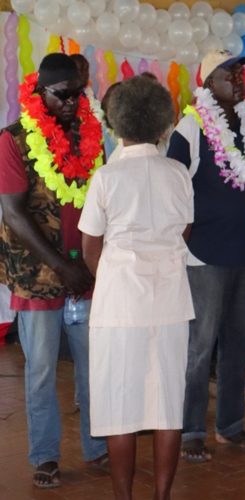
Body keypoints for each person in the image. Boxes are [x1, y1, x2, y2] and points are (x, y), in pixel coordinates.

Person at [78, 76, 192, 500]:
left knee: (118, 408)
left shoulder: (106, 177)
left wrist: (112, 275)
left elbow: (91, 245)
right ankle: (162, 496)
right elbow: (185, 231)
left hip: (120, 304)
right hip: (170, 302)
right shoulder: (178, 173)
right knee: (166, 406)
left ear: (116, 124)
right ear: (163, 123)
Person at [0, 52, 108, 490]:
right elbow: (14, 214)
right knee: (42, 368)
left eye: (77, 94)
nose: (71, 102)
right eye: (62, 95)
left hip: (85, 274)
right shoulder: (13, 139)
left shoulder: (91, 135)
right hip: (41, 275)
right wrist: (62, 266)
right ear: (40, 91)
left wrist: (89, 265)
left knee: (92, 366)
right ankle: (45, 455)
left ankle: (97, 446)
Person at [166, 50, 245, 463]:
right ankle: (190, 430)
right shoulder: (189, 129)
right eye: (230, 74)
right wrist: (184, 239)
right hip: (202, 256)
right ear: (207, 83)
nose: (240, 80)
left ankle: (230, 426)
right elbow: (172, 186)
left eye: (241, 73)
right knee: (199, 348)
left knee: (239, 345)